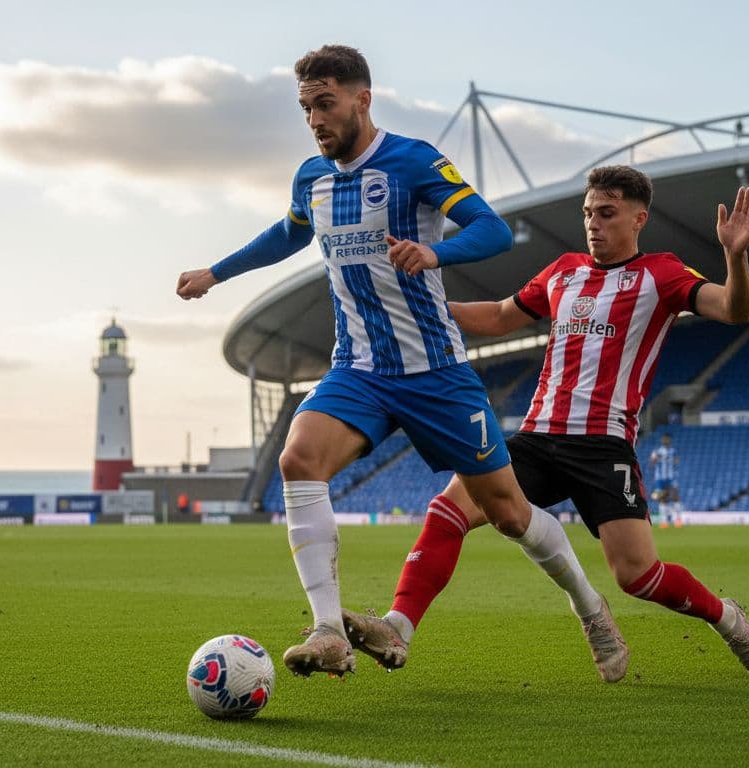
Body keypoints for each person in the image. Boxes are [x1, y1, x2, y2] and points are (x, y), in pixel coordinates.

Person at [177, 44, 618, 679]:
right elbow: (288, 232)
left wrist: (434, 253)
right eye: (305, 108)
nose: (315, 120)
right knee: (298, 457)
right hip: (357, 367)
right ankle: (328, 630)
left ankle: (590, 607)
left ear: (363, 98)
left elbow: (490, 228)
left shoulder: (412, 162)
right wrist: (216, 272)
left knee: (510, 513)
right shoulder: (313, 176)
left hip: (435, 370)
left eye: (325, 104)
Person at [343, 167, 749, 678]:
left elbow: (733, 309)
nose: (593, 223)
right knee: (450, 508)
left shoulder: (662, 273)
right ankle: (399, 625)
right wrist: (430, 306)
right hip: (537, 438)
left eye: (606, 213)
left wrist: (736, 256)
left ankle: (726, 618)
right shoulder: (563, 271)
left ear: (640, 219)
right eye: (588, 213)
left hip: (604, 447)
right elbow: (502, 316)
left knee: (637, 575)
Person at [649, 434, 681, 527]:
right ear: (661, 440)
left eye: (667, 439)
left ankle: (678, 519)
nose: (665, 440)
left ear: (669, 440)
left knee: (675, 496)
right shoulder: (657, 451)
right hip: (660, 478)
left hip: (671, 477)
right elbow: (652, 463)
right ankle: (664, 521)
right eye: (664, 439)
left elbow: (677, 461)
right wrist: (654, 459)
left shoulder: (673, 451)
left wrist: (673, 461)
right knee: (662, 498)